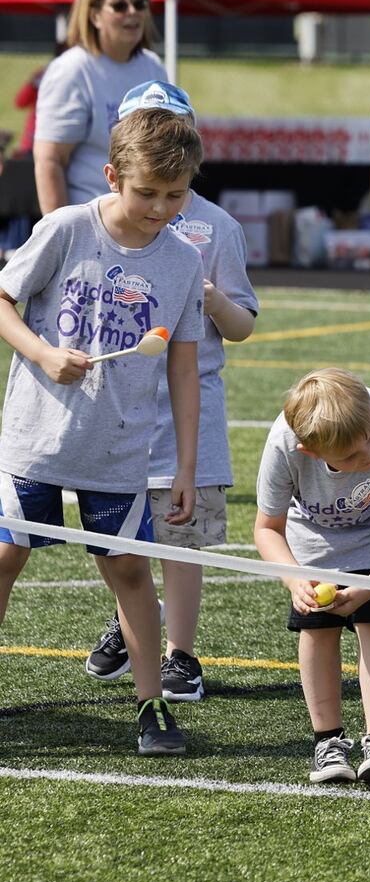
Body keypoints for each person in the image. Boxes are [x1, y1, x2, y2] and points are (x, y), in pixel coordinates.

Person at [0, 107, 205, 755]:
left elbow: (184, 366)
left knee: (130, 572)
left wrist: (187, 466)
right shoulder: (65, 228)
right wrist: (43, 353)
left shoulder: (180, 261)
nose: (159, 208)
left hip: (117, 453)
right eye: (146, 192)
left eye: (175, 196)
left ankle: (152, 709)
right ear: (114, 176)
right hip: (34, 441)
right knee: (5, 558)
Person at [84, 82, 260, 702]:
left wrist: (207, 297)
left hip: (193, 406)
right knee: (117, 529)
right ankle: (134, 618)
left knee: (184, 533)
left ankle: (181, 653)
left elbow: (242, 323)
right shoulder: (102, 221)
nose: (160, 199)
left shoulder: (215, 227)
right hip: (118, 405)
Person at [254, 369, 370, 786]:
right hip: (311, 540)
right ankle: (328, 743)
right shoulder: (284, 446)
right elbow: (266, 529)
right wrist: (295, 580)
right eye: (351, 457)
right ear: (310, 451)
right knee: (317, 627)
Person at [33, 0, 167, 213]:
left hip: (149, 224)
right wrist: (62, 236)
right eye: (119, 5)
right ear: (94, 15)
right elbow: (49, 160)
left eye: (139, 3)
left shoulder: (153, 66)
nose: (132, 12)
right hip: (93, 224)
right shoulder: (73, 69)